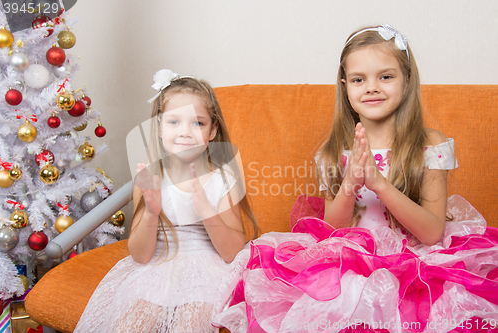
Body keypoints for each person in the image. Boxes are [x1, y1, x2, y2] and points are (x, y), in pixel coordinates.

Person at [213, 24, 498, 332]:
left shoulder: (428, 146)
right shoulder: (334, 153)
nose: (372, 87)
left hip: (415, 264)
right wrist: (350, 185)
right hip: (351, 264)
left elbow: (431, 232)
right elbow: (332, 230)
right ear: (345, 85)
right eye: (359, 79)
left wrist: (380, 185)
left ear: (407, 80)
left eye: (386, 76)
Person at [74, 69, 259, 333]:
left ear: (212, 129)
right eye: (173, 122)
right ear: (159, 128)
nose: (185, 132)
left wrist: (206, 209)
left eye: (197, 123)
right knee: (131, 327)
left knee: (189, 326)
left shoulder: (222, 177)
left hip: (207, 273)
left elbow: (232, 252)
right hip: (155, 269)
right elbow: (140, 254)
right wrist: (150, 213)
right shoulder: (148, 178)